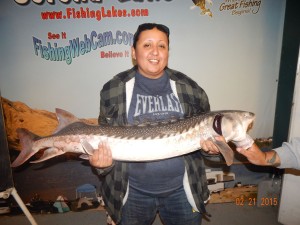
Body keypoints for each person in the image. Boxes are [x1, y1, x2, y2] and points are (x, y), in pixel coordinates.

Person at [88, 23, 231, 225]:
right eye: (147, 45)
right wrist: (102, 165)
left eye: (162, 46)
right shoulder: (113, 89)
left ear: (167, 52)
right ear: (133, 52)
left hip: (182, 190)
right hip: (130, 192)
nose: (155, 52)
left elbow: (206, 143)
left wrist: (211, 149)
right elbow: (106, 142)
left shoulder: (190, 88)